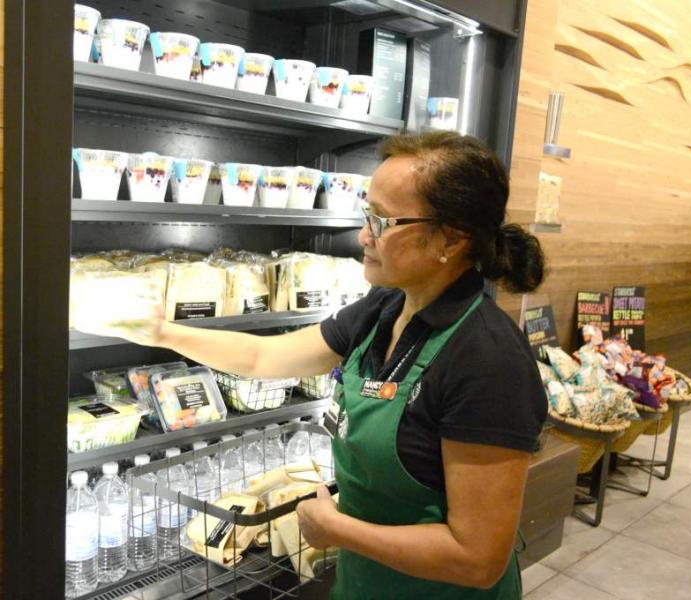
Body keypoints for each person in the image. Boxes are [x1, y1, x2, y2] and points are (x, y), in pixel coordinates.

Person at [99, 131, 547, 599]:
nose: (363, 235)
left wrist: (337, 529)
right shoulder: (384, 309)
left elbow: (477, 557)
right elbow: (263, 357)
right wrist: (161, 333)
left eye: (381, 220)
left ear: (451, 240)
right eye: (365, 214)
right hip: (366, 583)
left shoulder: (489, 361)